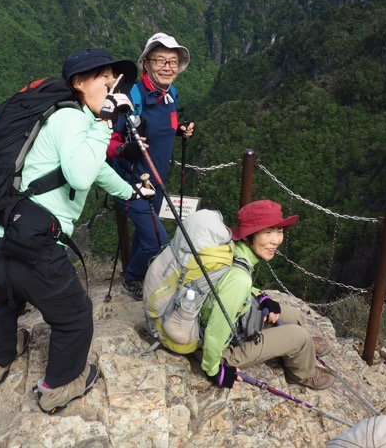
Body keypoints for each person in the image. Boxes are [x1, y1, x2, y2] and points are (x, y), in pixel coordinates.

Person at [0, 48, 154, 414]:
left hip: (0, 238)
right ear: (78, 83)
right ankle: (58, 386)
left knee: (9, 299)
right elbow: (79, 175)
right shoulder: (74, 119)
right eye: (104, 80)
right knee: (75, 316)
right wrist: (106, 123)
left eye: (114, 82)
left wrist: (130, 192)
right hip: (34, 247)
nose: (111, 88)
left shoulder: (64, 120)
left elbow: (95, 166)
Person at [200, 200, 337, 390]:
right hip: (221, 350)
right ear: (249, 235)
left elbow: (227, 287)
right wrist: (214, 370)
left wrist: (261, 296)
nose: (275, 240)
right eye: (267, 232)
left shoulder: (233, 251)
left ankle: (298, 349)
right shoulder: (239, 279)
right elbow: (217, 329)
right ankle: (302, 374)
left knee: (292, 315)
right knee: (300, 336)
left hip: (228, 323)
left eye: (279, 231)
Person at [108, 32, 195, 300]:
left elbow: (162, 125)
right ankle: (133, 279)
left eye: (173, 62)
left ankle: (140, 272)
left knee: (147, 234)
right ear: (146, 63)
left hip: (156, 181)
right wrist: (124, 150)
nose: (168, 67)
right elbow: (106, 142)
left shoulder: (171, 94)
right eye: (161, 60)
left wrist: (178, 130)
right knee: (157, 240)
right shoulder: (131, 97)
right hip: (130, 183)